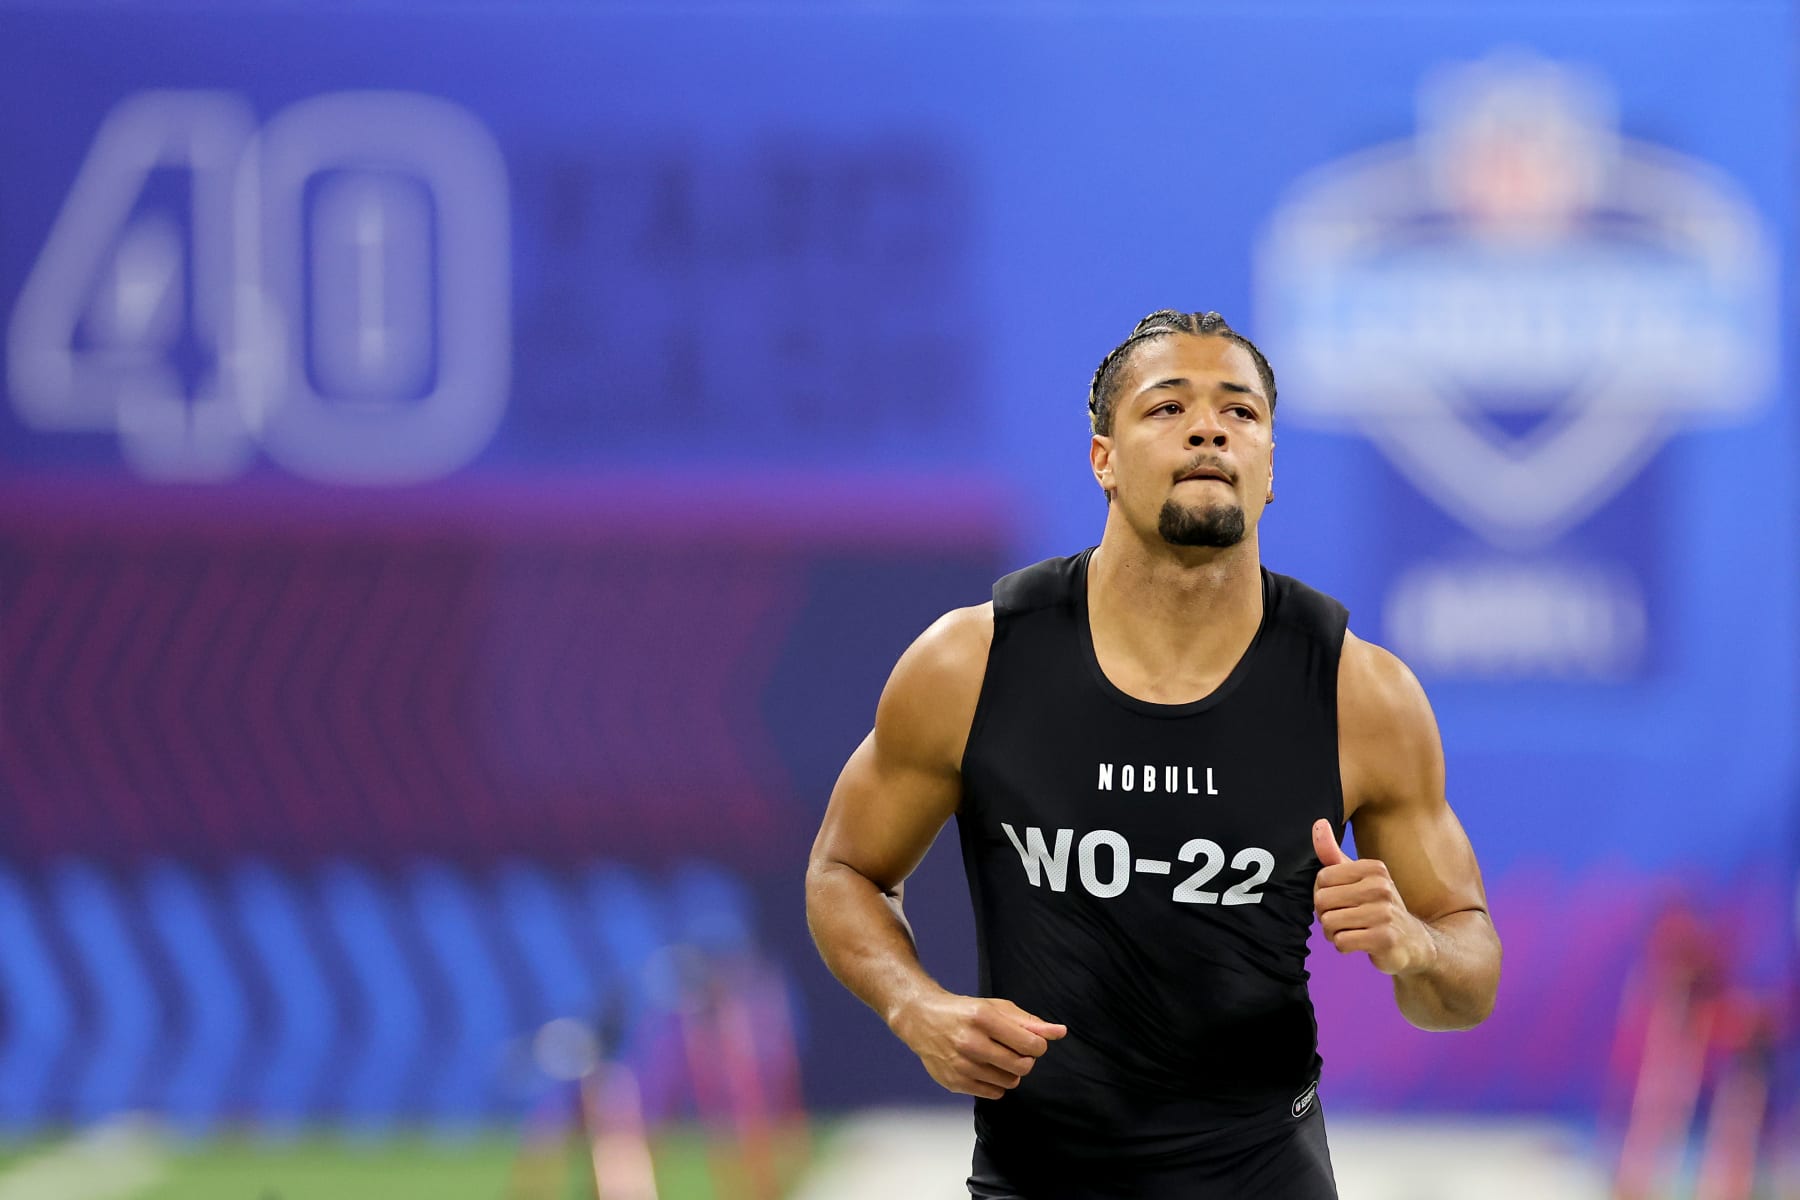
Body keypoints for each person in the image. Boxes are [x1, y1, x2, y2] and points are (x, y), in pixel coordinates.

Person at [804, 310, 1501, 1199]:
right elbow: (843, 871)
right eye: (1168, 407)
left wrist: (1416, 948)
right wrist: (915, 1005)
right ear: (1102, 458)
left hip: (1262, 1177)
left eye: (1240, 413)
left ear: (1270, 469)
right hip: (1036, 1178)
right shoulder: (971, 663)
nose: (1209, 427)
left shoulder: (1360, 695)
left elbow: (1467, 978)